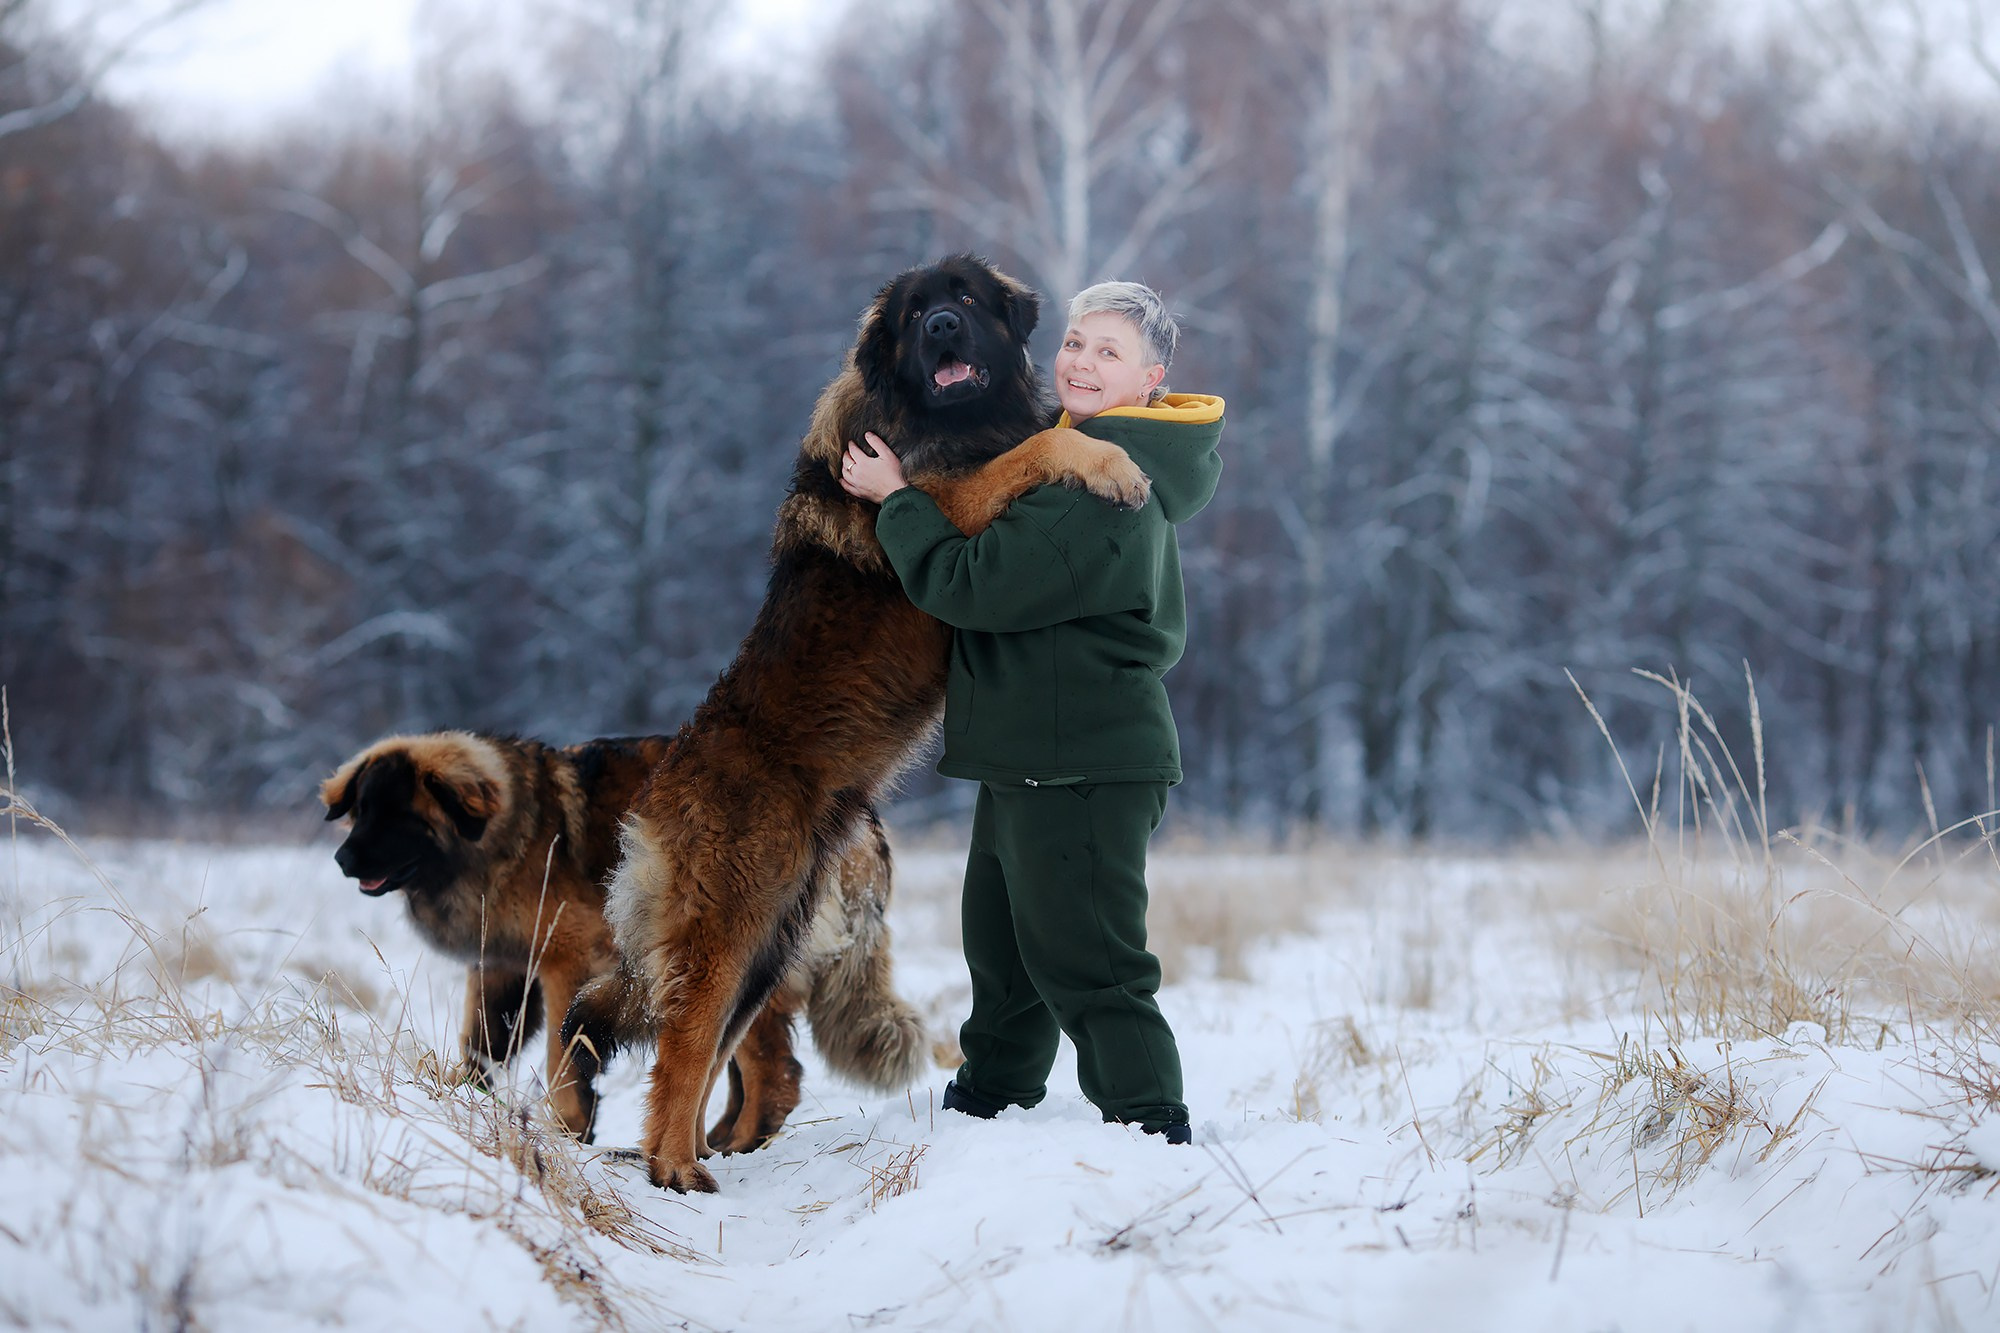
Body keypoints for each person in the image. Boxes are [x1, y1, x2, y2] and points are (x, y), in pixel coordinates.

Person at [839, 280, 1224, 1144]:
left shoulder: (1099, 490)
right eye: (1077, 343)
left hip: (1082, 758)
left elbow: (970, 585)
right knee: (1005, 957)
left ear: (1151, 378)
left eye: (1109, 352)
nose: (1082, 363)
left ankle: (1150, 1124)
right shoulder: (1065, 452)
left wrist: (898, 498)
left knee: (1091, 960)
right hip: (1030, 754)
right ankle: (990, 1103)